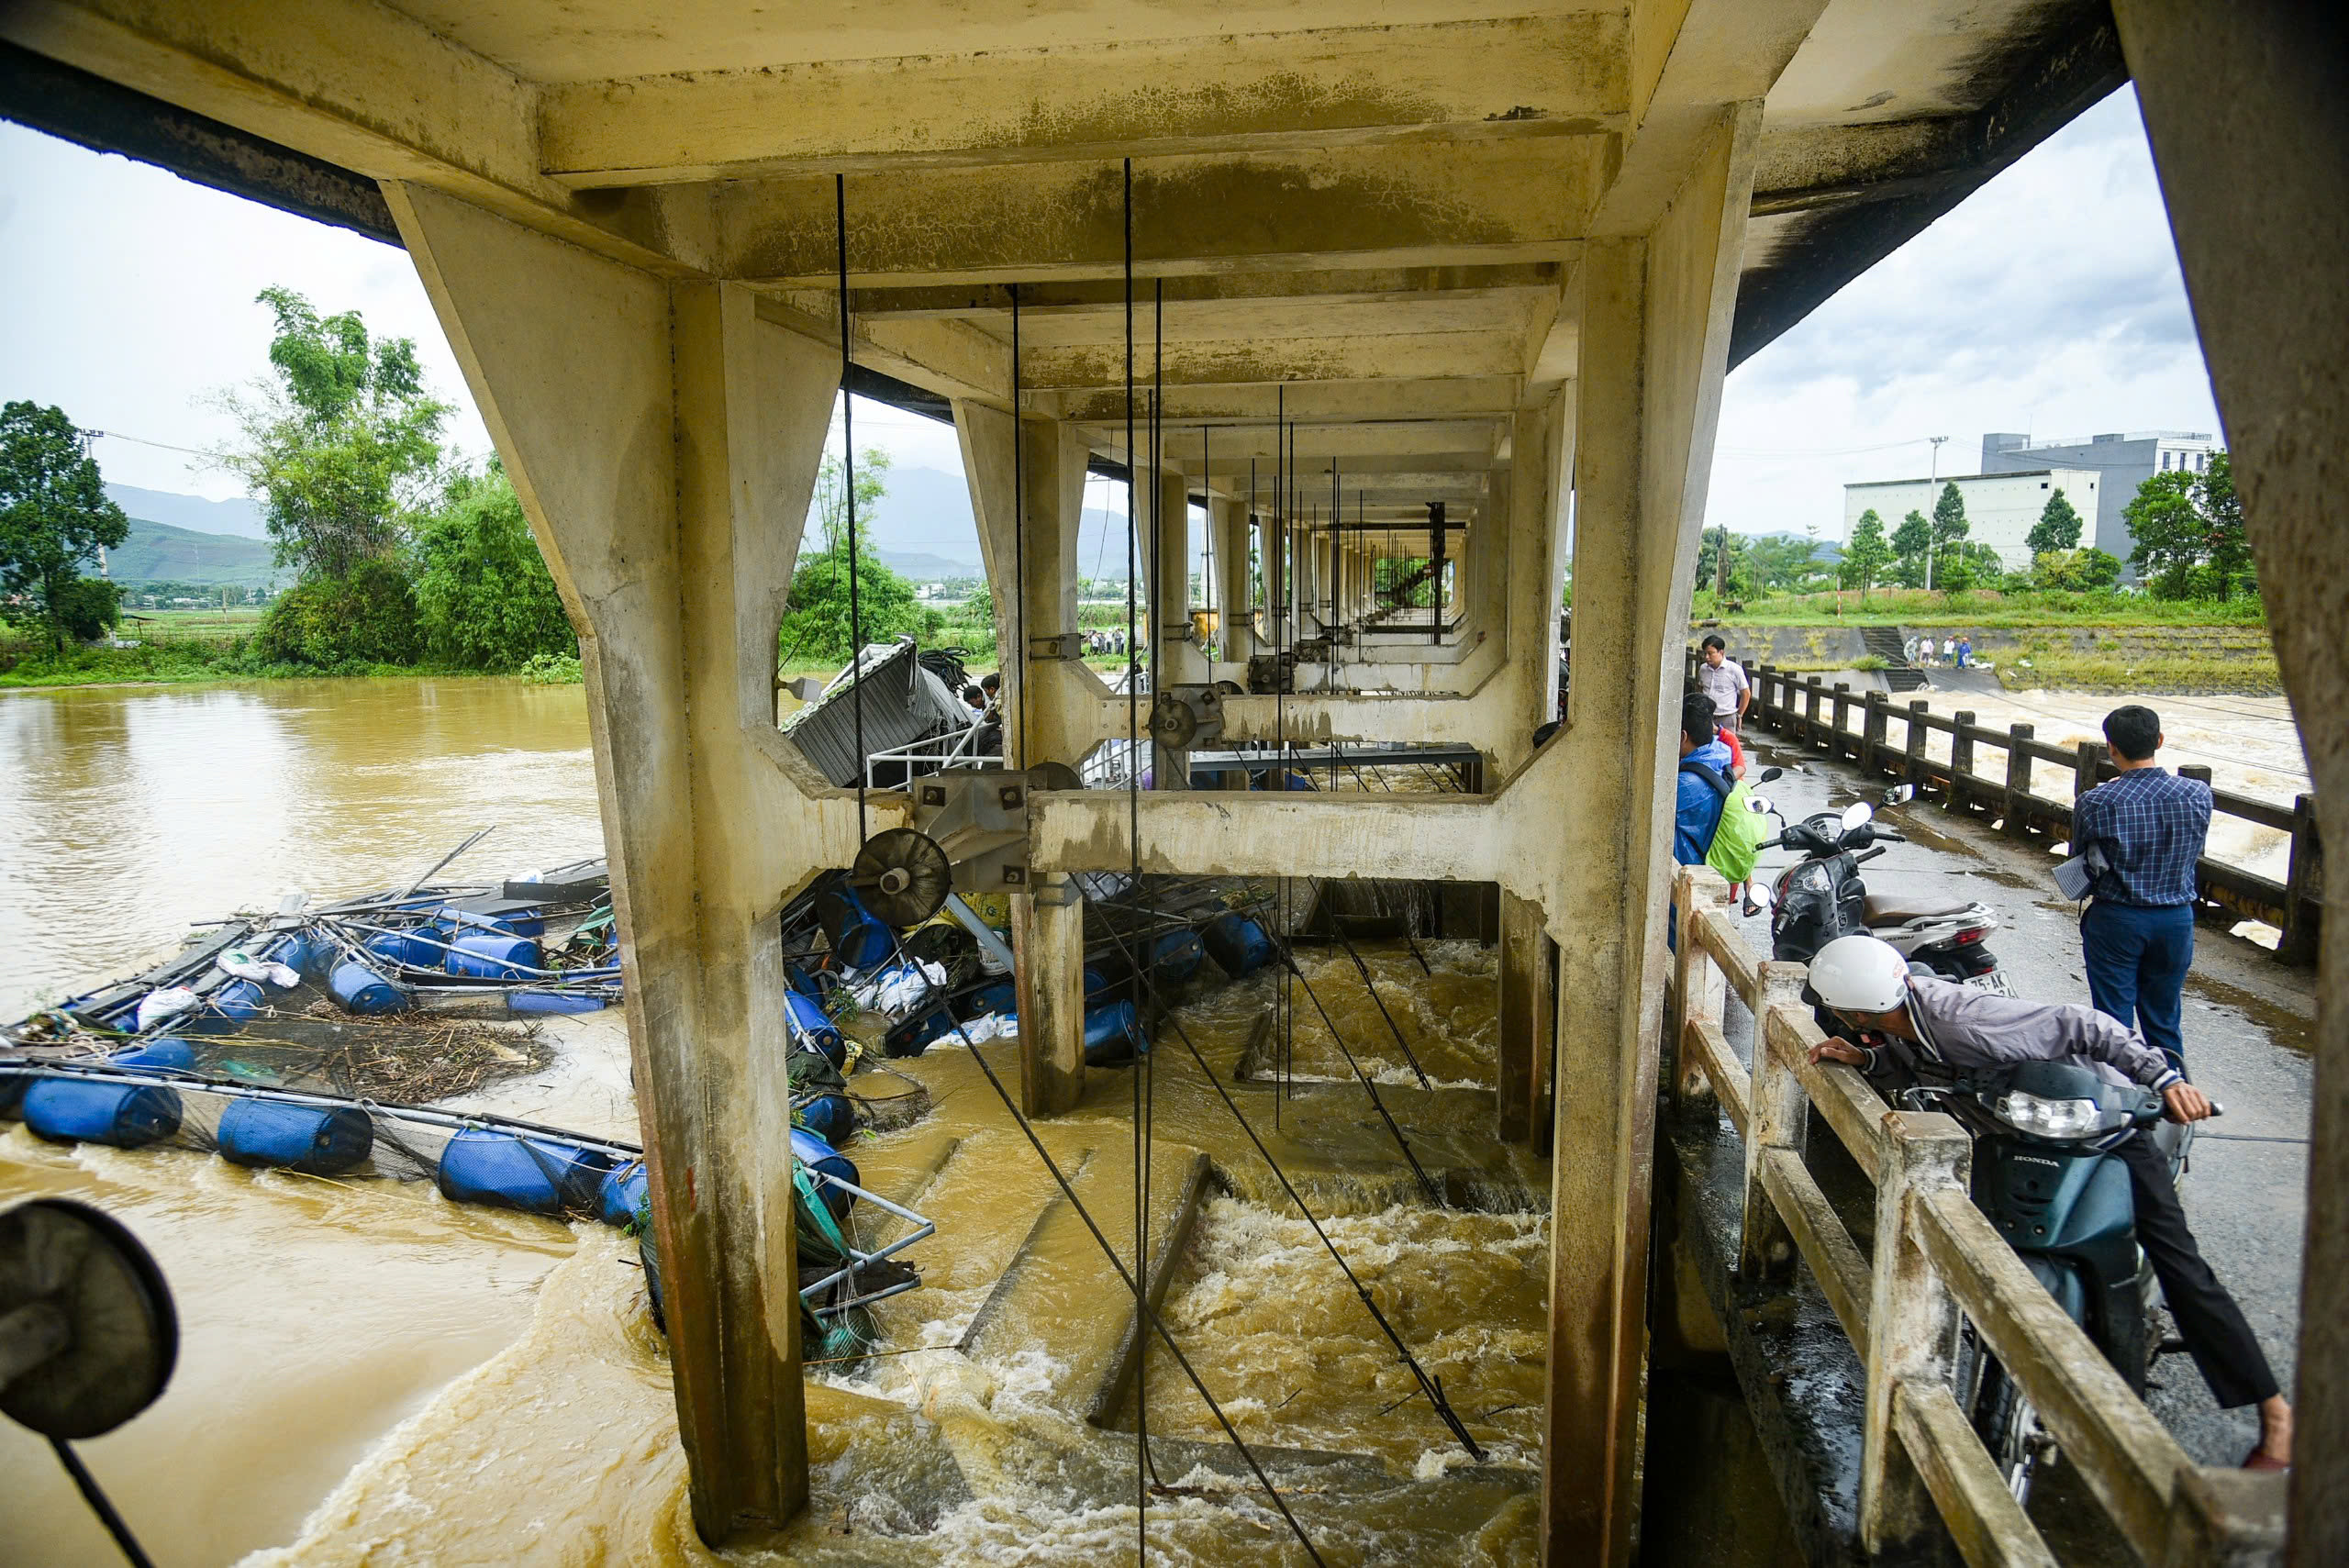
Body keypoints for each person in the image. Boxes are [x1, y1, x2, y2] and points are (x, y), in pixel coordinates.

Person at [1805, 934, 2292, 1470]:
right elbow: (1921, 1066)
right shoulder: (1903, 1020)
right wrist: (1867, 1060)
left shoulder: (1962, 1018)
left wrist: (2162, 1078)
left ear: (1853, 1011)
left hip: (2107, 1130)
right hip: (2021, 1136)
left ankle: (2275, 1414)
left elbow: (2085, 1023)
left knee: (2180, 1264)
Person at [2071, 706, 2210, 1075]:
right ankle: (2174, 1096)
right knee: (2164, 1019)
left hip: (2118, 918)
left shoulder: (2095, 802)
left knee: (2114, 1024)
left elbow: (2080, 856)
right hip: (2176, 919)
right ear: (2159, 741)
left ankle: (2121, 1096)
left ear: (2112, 748)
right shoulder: (2197, 794)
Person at [1696, 634, 1751, 735]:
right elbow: (1700, 689)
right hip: (1707, 716)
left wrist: (1739, 715)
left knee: (1727, 743)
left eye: (1710, 653)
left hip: (1727, 717)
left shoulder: (1734, 669)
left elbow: (1746, 693)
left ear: (1721, 652)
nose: (1707, 657)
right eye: (1705, 653)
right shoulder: (1703, 669)